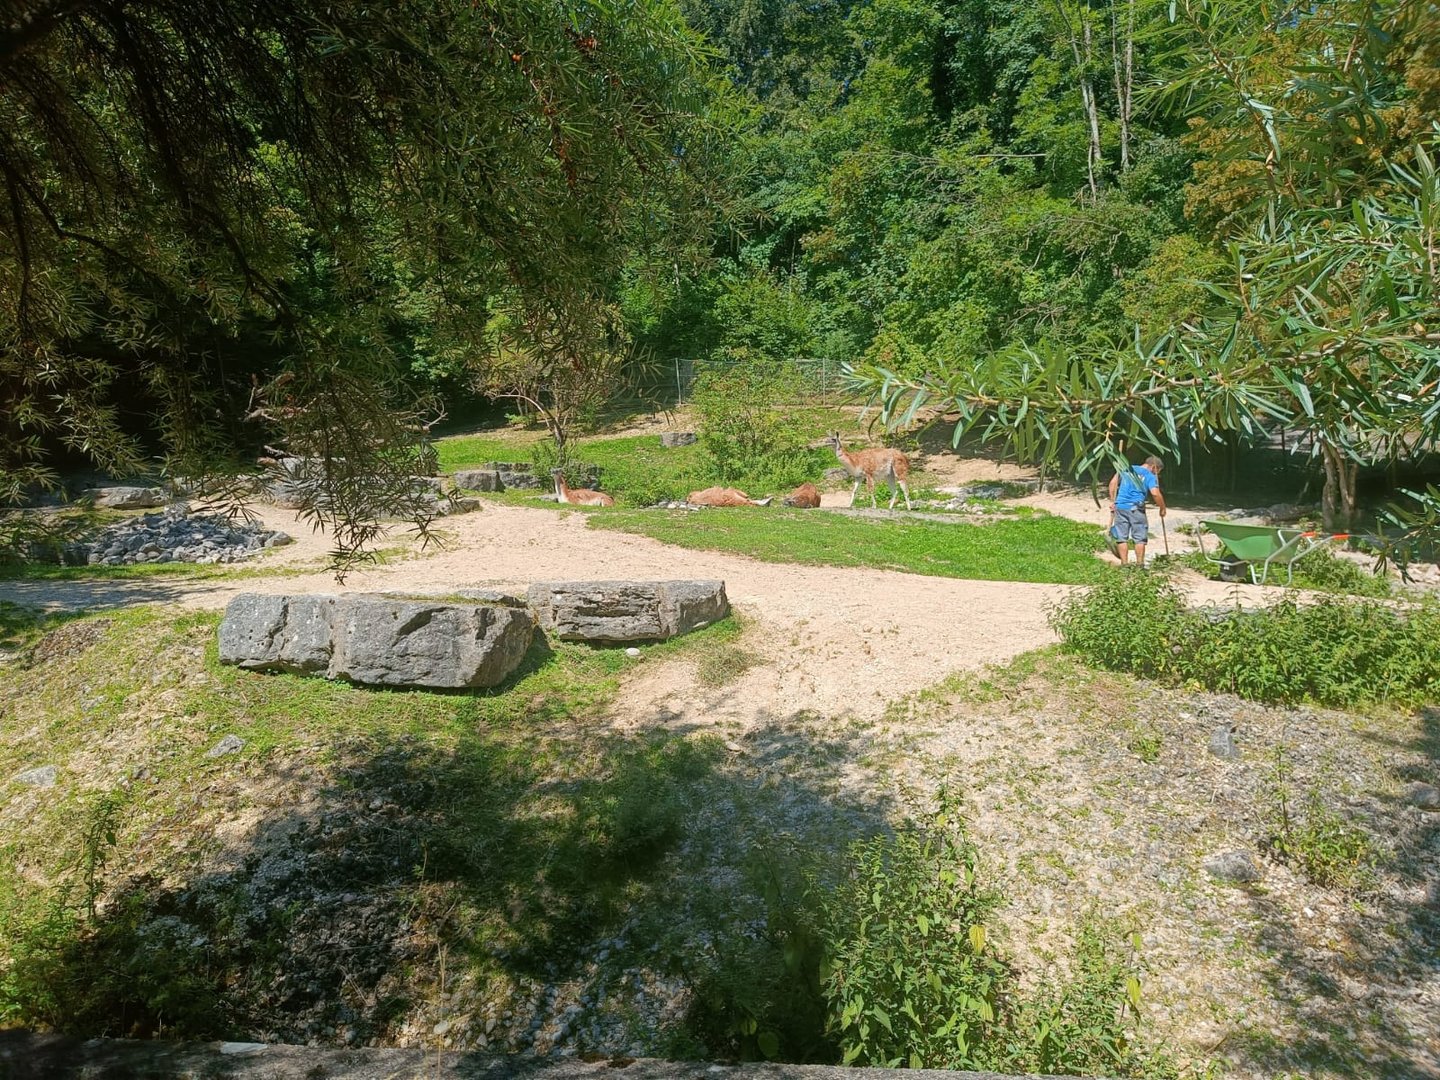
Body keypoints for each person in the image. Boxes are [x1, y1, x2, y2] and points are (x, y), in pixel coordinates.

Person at [1108, 456, 1167, 566]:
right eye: (1157, 472)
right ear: (1154, 467)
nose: (1156, 475)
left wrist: (1113, 501)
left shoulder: (1126, 469)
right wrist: (1162, 508)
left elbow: (1112, 483)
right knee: (1140, 538)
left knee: (1121, 538)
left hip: (1120, 507)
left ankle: (1124, 564)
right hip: (1136, 509)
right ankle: (1140, 565)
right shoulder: (1149, 475)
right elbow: (1155, 493)